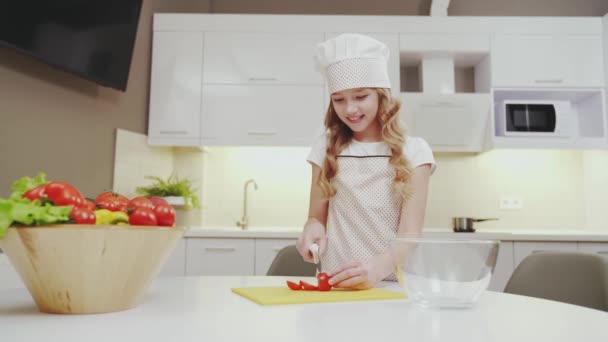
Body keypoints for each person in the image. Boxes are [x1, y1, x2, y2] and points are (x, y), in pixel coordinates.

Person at [296, 33, 436, 290]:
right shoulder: (325, 148)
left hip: (393, 285)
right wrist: (311, 230)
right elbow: (315, 218)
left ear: (382, 95)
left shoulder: (415, 152)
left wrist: (377, 269)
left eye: (361, 96)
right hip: (337, 284)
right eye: (339, 99)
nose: (349, 109)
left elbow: (410, 235)